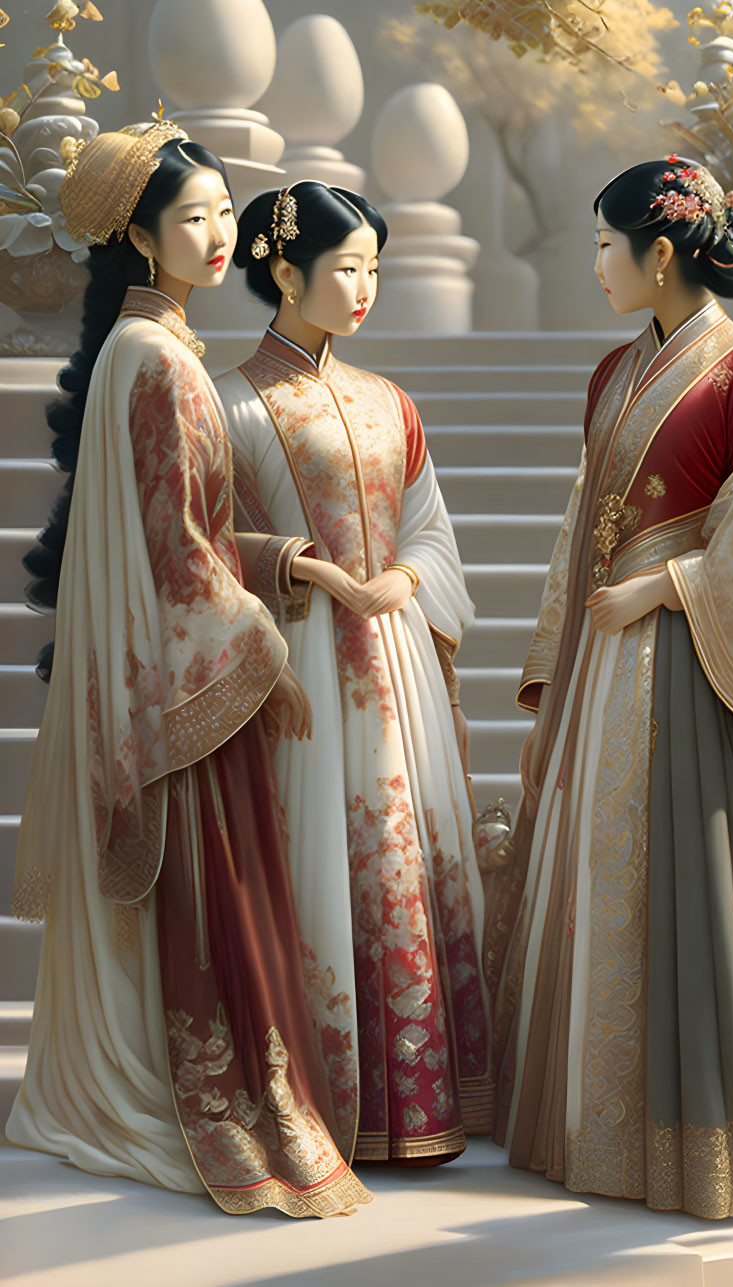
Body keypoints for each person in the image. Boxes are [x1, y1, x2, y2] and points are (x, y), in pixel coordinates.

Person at [7, 123, 369, 1218]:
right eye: (193, 218)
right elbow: (177, 553)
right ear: (139, 234)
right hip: (191, 673)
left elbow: (191, 532)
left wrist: (276, 563)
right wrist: (266, 655)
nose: (219, 236)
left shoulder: (146, 348)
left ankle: (128, 1086)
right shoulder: (160, 361)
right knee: (215, 899)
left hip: (175, 660)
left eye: (223, 213)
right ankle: (185, 1105)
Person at [485, 158, 733, 1218]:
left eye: (602, 246)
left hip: (686, 666)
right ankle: (589, 1129)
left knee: (685, 888)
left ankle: (693, 1145)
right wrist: (563, 654)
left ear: (658, 253)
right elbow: (577, 531)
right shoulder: (609, 374)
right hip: (604, 663)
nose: (594, 265)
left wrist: (660, 590)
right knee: (590, 880)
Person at [215, 181, 493, 1165]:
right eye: (346, 268)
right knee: (318, 858)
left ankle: (419, 1102)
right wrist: (301, 563)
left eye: (375, 267)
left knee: (399, 851)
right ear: (283, 272)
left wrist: (407, 576)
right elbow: (199, 542)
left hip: (396, 656)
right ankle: (323, 1101)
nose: (365, 286)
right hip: (295, 661)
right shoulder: (230, 401)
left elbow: (428, 523)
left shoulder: (390, 401)